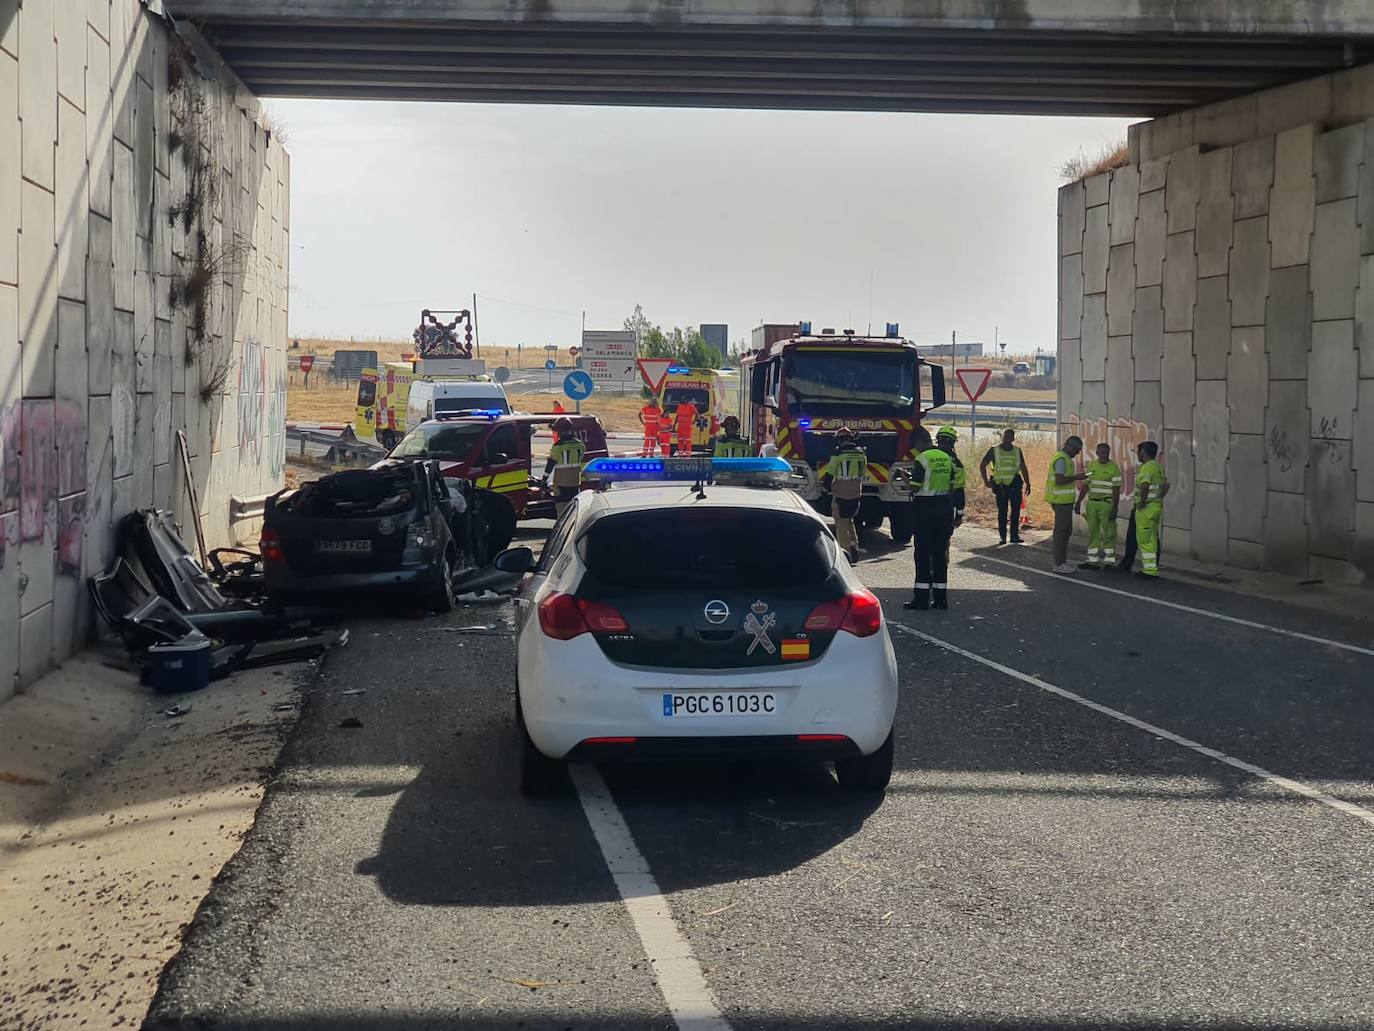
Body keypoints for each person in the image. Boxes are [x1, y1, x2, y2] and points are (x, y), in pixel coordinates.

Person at [902, 427, 955, 611]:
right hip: (944, 510)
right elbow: (952, 485)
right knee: (940, 555)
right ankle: (941, 600)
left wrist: (904, 479)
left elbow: (915, 488)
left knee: (923, 555)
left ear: (919, 442)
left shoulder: (922, 459)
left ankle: (922, 599)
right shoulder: (947, 458)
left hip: (925, 511)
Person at [819, 427, 866, 565]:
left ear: (839, 440)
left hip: (840, 493)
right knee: (849, 520)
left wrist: (826, 488)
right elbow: (863, 472)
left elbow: (830, 475)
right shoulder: (861, 454)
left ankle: (845, 555)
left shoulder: (838, 454)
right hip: (856, 493)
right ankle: (854, 547)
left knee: (841, 525)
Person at [978, 428, 1031, 545]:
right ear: (1002, 437)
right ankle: (1002, 536)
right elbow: (982, 465)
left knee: (1016, 511)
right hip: (1000, 485)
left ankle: (1014, 536)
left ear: (1013, 439)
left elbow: (1023, 467)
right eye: (1005, 437)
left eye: (1010, 437)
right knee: (1003, 511)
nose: (1007, 439)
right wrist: (986, 481)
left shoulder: (1017, 451)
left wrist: (1028, 483)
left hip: (1015, 484)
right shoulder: (994, 450)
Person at [1075, 442, 1122, 570]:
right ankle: (1092, 561)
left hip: (1106, 503)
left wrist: (1115, 508)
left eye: (1107, 452)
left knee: (1109, 534)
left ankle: (1109, 562)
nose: (1104, 455)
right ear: (1097, 453)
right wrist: (1079, 501)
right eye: (1102, 452)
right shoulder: (1092, 466)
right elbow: (1086, 485)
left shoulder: (1114, 468)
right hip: (1092, 503)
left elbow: (1116, 490)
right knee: (1093, 533)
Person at [1046, 435, 1086, 573]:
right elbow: (1059, 480)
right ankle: (1058, 564)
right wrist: (1077, 477)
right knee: (1061, 532)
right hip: (1060, 500)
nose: (1078, 453)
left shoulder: (1065, 458)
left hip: (1064, 501)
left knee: (1065, 531)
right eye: (1077, 449)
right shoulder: (1062, 459)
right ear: (1069, 446)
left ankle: (1061, 562)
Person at [1129, 440, 1169, 579]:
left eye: (1138, 452)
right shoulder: (1158, 467)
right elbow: (1166, 486)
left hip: (1146, 510)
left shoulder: (1146, 468)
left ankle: (1149, 570)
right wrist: (1157, 498)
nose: (1138, 455)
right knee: (1152, 539)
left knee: (1145, 541)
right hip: (1156, 507)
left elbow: (1145, 485)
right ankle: (1151, 568)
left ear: (1143, 452)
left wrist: (1142, 502)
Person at [543, 418, 586, 517]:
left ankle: (561, 530)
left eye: (557, 430)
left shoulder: (558, 446)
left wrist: (544, 479)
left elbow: (551, 463)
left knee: (561, 509)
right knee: (573, 509)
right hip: (575, 483)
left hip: (561, 484)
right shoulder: (580, 445)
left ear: (562, 431)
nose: (556, 433)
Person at [935, 426, 967, 530]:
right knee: (943, 538)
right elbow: (959, 491)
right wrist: (959, 515)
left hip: (924, 504)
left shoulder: (925, 456)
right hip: (946, 505)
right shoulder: (957, 464)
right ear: (953, 442)